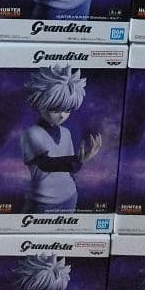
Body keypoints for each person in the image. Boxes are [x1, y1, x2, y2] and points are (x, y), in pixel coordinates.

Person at [20, 65, 102, 213]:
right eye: (55, 109)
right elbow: (46, 164)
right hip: (41, 200)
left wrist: (81, 160)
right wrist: (77, 160)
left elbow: (72, 169)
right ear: (39, 104)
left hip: (70, 196)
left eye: (67, 109)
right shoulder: (31, 133)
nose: (62, 115)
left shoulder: (66, 133)